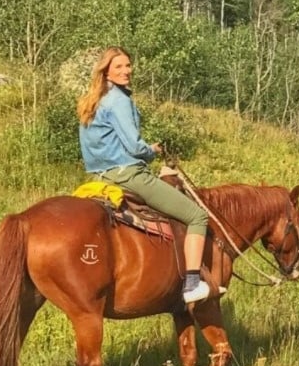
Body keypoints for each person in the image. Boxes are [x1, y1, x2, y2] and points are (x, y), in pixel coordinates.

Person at [77, 47, 212, 304]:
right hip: (128, 175)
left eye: (128, 65)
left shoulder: (93, 100)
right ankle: (192, 283)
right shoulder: (119, 100)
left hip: (99, 179)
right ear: (106, 71)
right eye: (119, 67)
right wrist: (151, 152)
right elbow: (133, 146)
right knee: (197, 216)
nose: (126, 71)